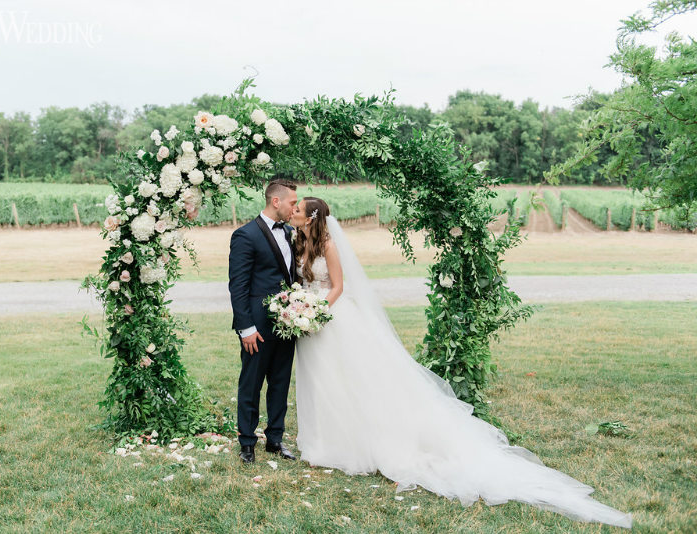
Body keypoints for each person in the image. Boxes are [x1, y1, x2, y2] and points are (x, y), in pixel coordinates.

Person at [289, 196, 632, 529]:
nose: (293, 212)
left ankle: (359, 443)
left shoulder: (330, 246)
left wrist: (316, 311)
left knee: (352, 381)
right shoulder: (300, 242)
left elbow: (338, 286)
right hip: (313, 323)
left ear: (311, 218)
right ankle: (326, 441)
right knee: (324, 382)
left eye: (298, 209)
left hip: (333, 318)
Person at [228, 179, 299, 464]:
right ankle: (247, 442)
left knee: (280, 384)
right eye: (293, 203)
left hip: (289, 322)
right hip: (256, 326)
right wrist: (246, 328)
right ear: (276, 201)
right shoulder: (245, 235)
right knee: (251, 384)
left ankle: (275, 440)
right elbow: (238, 286)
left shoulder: (292, 232)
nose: (296, 208)